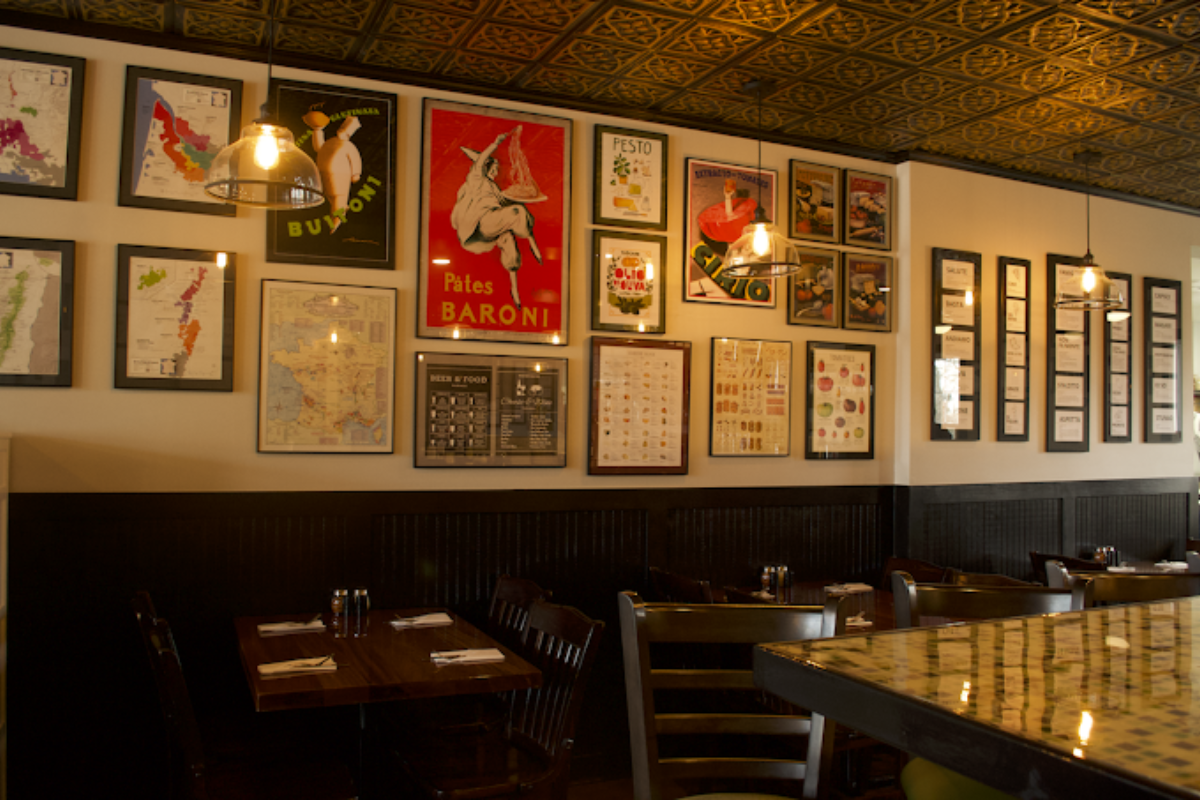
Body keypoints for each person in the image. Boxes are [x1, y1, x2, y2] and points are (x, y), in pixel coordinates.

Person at [450, 127, 542, 309]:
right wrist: (495, 144)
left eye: (496, 169)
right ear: (486, 168)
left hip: (491, 227)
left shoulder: (493, 188)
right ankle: (533, 244)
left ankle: (514, 290)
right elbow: (480, 162)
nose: (496, 172)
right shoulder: (477, 179)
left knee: (509, 241)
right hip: (483, 222)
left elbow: (504, 202)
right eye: (493, 169)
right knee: (517, 212)